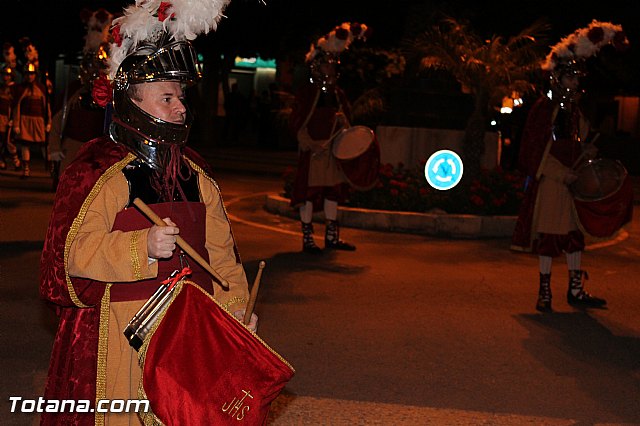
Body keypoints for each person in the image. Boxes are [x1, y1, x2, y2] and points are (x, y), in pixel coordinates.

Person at [39, 1, 255, 424]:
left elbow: (222, 260)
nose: (180, 108)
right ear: (131, 102)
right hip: (120, 339)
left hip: (188, 335)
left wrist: (236, 314)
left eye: (181, 97)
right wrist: (142, 247)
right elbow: (66, 260)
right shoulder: (98, 170)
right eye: (167, 97)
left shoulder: (196, 174)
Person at [511, 21, 631, 312]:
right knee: (550, 239)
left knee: (575, 238)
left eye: (577, 77)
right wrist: (562, 173)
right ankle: (545, 293)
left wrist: (587, 146)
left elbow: (579, 139)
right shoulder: (544, 108)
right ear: (558, 78)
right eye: (571, 77)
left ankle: (575, 290)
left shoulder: (573, 109)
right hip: (554, 182)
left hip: (574, 182)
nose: (576, 82)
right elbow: (534, 151)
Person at [289, 22, 371, 254]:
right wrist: (309, 144)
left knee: (333, 193)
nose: (332, 68)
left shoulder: (338, 94)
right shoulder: (307, 93)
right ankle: (308, 240)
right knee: (309, 195)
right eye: (327, 64)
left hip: (333, 153)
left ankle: (332, 238)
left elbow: (347, 123)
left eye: (334, 64)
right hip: (315, 153)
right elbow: (297, 122)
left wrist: (344, 123)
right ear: (317, 66)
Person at [11, 61, 51, 177]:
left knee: (44, 145)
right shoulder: (21, 89)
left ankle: (51, 168)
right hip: (25, 121)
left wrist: (48, 122)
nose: (30, 76)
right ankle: (26, 170)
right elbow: (16, 107)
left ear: (35, 75)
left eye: (32, 74)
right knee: (25, 145)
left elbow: (46, 106)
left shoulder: (41, 88)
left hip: (38, 121)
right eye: (28, 74)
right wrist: (16, 124)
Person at [0, 65, 15, 169]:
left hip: (8, 118)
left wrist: (13, 118)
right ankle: (1, 160)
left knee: (8, 140)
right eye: (4, 75)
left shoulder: (14, 89)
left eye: (8, 75)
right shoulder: (1, 88)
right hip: (0, 117)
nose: (6, 77)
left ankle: (16, 160)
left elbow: (16, 104)